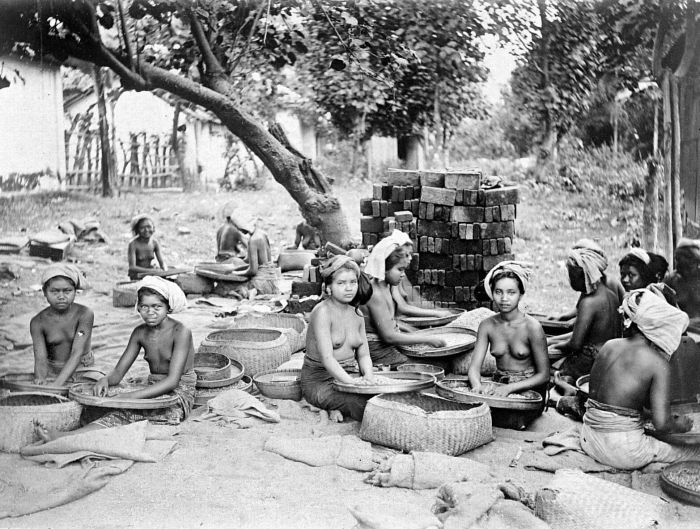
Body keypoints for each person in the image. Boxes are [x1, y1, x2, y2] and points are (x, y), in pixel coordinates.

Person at [35, 277, 195, 440]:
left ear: (168, 308)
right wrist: (105, 380)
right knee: (97, 396)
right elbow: (118, 372)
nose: (150, 312)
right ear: (138, 308)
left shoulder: (181, 332)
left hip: (178, 392)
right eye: (144, 307)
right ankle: (84, 427)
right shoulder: (140, 332)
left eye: (157, 307)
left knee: (126, 412)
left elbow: (172, 381)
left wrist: (129, 397)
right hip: (153, 384)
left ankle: (65, 437)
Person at [580, 289, 700, 470]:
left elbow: (615, 402)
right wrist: (680, 424)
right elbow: (662, 424)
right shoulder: (657, 363)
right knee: (692, 453)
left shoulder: (609, 345)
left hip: (588, 438)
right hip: (621, 450)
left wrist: (649, 415)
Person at [301, 256, 376, 422]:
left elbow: (363, 355)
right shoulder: (322, 312)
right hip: (320, 380)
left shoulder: (357, 314)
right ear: (328, 287)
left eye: (352, 282)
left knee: (382, 395)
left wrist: (368, 376)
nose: (348, 288)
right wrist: (352, 384)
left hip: (350, 374)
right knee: (362, 404)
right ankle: (332, 405)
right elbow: (328, 359)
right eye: (341, 283)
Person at [467, 261, 549, 409]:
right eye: (498, 292)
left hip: (527, 390)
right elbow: (474, 368)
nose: (504, 298)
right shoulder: (487, 325)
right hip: (499, 384)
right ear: (492, 293)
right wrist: (477, 386)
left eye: (511, 292)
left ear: (521, 294)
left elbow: (543, 375)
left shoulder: (532, 327)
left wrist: (509, 389)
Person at [361, 232, 446, 366]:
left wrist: (415, 333)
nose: (403, 275)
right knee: (438, 365)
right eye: (400, 270)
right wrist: (427, 339)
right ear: (384, 269)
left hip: (388, 345)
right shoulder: (375, 294)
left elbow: (391, 320)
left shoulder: (387, 286)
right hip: (376, 350)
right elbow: (388, 336)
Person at [551, 244, 621, 380]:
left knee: (552, 372)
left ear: (584, 275)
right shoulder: (610, 295)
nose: (570, 280)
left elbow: (575, 344)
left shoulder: (588, 303)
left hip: (590, 361)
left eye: (572, 275)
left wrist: (554, 346)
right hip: (611, 357)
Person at [30, 264, 94, 386]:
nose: (61, 296)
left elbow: (77, 352)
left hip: (82, 368)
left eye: (67, 291)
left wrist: (56, 385)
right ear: (44, 292)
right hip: (53, 370)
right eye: (54, 291)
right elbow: (40, 359)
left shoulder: (84, 314)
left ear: (75, 291)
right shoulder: (37, 322)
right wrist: (41, 380)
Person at [548, 239, 625, 325]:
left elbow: (623, 312)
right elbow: (579, 308)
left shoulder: (611, 283)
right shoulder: (590, 284)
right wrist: (563, 316)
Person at [233, 216, 282, 295]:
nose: (239, 231)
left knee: (234, 290)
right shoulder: (262, 233)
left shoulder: (253, 240)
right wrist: (236, 263)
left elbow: (253, 270)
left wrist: (235, 273)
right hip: (271, 278)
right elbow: (250, 260)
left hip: (262, 281)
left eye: (239, 228)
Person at [665, 238, 700, 321]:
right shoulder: (670, 280)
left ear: (695, 262)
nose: (677, 265)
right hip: (679, 329)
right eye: (676, 260)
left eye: (679, 260)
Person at [128, 214, 166, 280]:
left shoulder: (155, 243)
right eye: (142, 228)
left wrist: (163, 271)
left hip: (149, 274)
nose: (146, 230)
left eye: (149, 227)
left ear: (153, 228)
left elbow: (162, 264)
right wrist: (152, 271)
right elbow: (132, 267)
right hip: (137, 276)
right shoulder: (133, 244)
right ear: (137, 230)